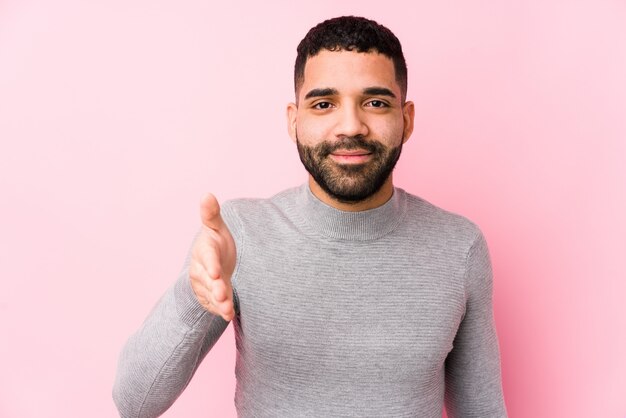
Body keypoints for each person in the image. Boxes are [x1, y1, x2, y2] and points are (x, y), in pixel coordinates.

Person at [113, 15, 507, 418]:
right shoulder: (239, 236)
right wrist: (194, 297)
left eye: (375, 102)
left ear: (405, 120)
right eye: (324, 104)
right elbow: (134, 402)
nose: (351, 126)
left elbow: (482, 410)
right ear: (294, 120)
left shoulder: (460, 247)